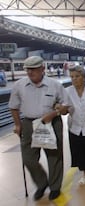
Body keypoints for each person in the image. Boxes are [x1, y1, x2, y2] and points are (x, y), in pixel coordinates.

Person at [8, 56, 72, 201]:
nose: (30, 72)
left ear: (43, 69)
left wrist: (54, 113)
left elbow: (66, 107)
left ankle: (55, 187)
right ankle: (42, 183)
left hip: (51, 123)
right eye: (28, 70)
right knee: (28, 158)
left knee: (54, 157)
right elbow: (13, 106)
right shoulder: (19, 86)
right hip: (29, 124)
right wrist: (18, 125)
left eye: (34, 69)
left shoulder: (55, 85)